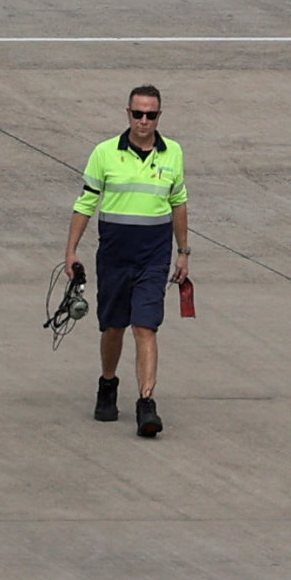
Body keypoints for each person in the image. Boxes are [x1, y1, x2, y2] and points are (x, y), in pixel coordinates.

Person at [60, 81, 189, 437]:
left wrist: (183, 253)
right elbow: (86, 203)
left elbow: (179, 203)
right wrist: (71, 250)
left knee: (145, 325)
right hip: (115, 255)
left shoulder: (173, 153)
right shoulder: (104, 153)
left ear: (159, 116)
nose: (143, 120)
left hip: (154, 255)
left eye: (150, 114)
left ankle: (146, 403)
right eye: (137, 113)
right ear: (128, 114)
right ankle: (107, 384)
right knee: (113, 325)